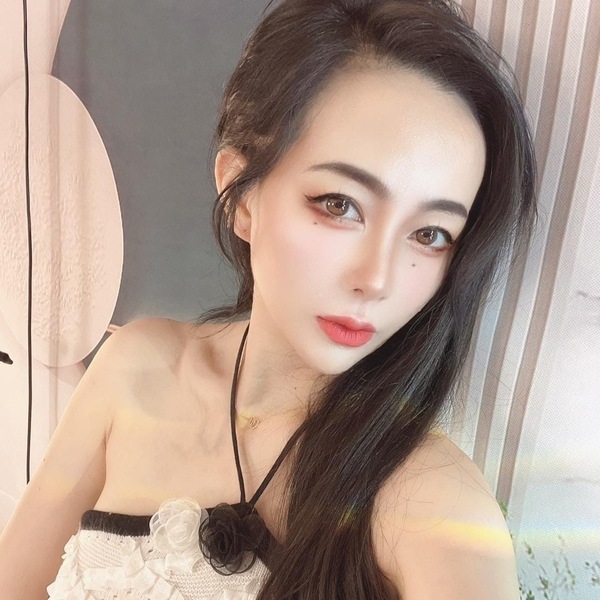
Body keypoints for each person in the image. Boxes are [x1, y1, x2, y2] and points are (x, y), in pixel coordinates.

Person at [0, 0, 537, 598]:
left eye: (430, 234)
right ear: (242, 194)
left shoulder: (431, 501)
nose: (378, 279)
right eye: (340, 204)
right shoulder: (135, 369)